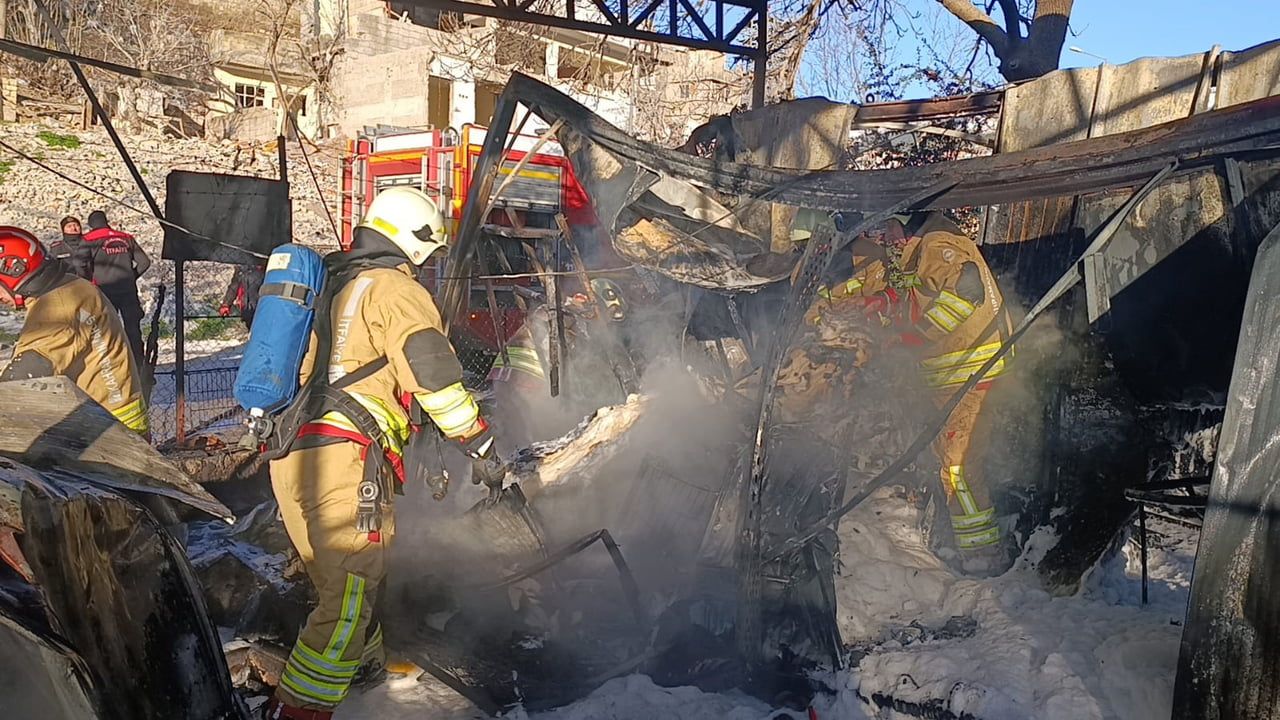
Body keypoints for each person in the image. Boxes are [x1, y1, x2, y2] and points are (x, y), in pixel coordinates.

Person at [264, 187, 504, 719]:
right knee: (348, 597)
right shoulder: (393, 288)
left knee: (339, 583)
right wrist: (478, 441)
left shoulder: (331, 282)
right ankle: (299, 711)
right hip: (345, 460)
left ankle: (364, 669)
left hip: (291, 455)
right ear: (415, 243)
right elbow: (432, 373)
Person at [808, 212, 1013, 576]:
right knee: (947, 461)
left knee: (958, 467)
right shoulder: (915, 245)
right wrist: (882, 303)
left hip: (969, 369)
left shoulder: (936, 243)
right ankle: (971, 545)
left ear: (903, 218)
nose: (883, 238)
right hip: (951, 371)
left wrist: (913, 337)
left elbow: (965, 292)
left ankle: (983, 555)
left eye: (885, 228)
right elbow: (921, 292)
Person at [0, 226, 149, 436]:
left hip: (108, 436)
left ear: (14, 269)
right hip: (115, 421)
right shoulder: (71, 287)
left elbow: (23, 377)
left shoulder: (56, 309)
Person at [82, 210, 151, 362]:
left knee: (106, 329)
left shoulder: (88, 239)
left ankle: (114, 363)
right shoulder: (126, 237)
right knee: (133, 328)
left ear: (91, 224)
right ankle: (138, 363)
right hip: (127, 290)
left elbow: (79, 264)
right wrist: (130, 277)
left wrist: (87, 282)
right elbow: (144, 262)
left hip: (103, 291)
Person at [219, 264, 265, 330]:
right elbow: (234, 286)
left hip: (263, 306)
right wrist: (226, 304)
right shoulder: (242, 268)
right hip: (248, 308)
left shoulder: (267, 266)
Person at [48, 216, 93, 280]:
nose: (73, 228)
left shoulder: (90, 243)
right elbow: (51, 268)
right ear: (63, 230)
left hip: (89, 282)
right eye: (69, 226)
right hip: (67, 284)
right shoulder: (57, 248)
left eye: (76, 225)